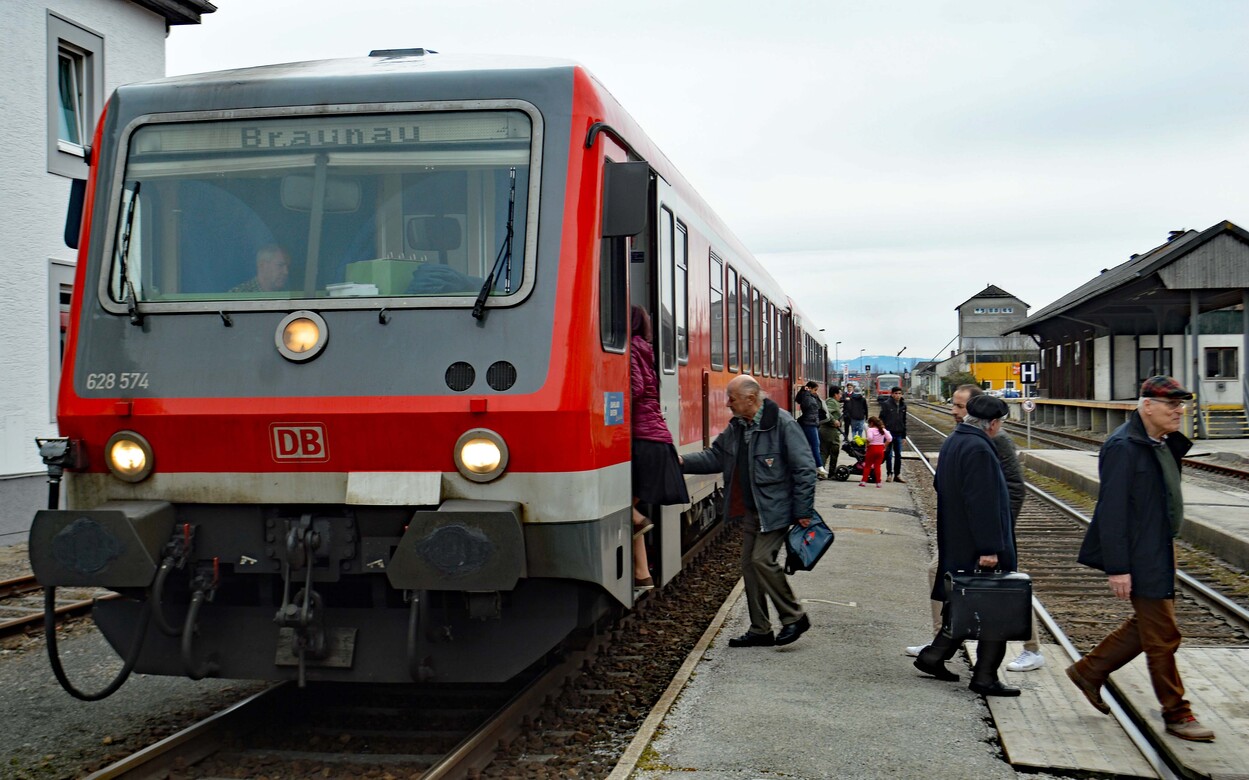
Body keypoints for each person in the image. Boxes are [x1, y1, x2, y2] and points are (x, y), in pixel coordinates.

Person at [1065, 376, 1214, 742]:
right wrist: (1118, 567)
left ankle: (1090, 671)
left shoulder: (1160, 443)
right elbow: (1112, 511)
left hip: (1160, 547)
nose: (1179, 411)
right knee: (1163, 636)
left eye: (1181, 405)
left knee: (1148, 626)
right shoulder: (1123, 447)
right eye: (1171, 405)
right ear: (1147, 405)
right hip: (1140, 552)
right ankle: (1177, 713)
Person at [906, 384, 1044, 670]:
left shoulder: (992, 440)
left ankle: (1030, 648)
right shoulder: (967, 439)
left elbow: (1012, 488)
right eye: (955, 406)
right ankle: (944, 650)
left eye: (960, 407)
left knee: (1002, 588)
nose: (954, 411)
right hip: (979, 531)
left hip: (987, 530)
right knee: (981, 588)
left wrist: (998, 534)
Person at [681, 375, 816, 647]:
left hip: (777, 508)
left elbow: (805, 468)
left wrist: (803, 510)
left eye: (732, 398)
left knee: (761, 560)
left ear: (751, 399)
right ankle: (760, 629)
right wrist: (680, 461)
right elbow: (715, 457)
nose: (727, 403)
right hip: (754, 509)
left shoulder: (781, 423)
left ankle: (794, 616)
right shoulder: (738, 426)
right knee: (749, 567)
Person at [914, 394, 1020, 697]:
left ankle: (933, 657)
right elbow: (983, 503)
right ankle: (985, 676)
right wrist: (990, 548)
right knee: (996, 610)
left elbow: (941, 486)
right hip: (978, 546)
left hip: (958, 539)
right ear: (994, 423)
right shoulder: (979, 449)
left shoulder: (955, 440)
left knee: (963, 604)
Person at [629, 306, 690, 589]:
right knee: (629, 509)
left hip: (642, 437)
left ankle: (637, 521)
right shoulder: (645, 350)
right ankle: (642, 574)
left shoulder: (629, 349)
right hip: (656, 438)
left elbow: (635, 388)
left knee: (625, 506)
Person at [795, 381, 828, 478]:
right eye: (815, 390)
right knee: (815, 444)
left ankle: (813, 465)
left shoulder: (810, 396)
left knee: (811, 445)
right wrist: (808, 393)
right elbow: (809, 406)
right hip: (809, 423)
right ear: (809, 388)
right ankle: (819, 466)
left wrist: (813, 395)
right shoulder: (807, 397)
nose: (816, 392)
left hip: (812, 423)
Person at [879, 386, 908, 483]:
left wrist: (904, 435)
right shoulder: (886, 404)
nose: (898, 395)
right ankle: (889, 474)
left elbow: (904, 421)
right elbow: (881, 418)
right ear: (892, 394)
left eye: (899, 393)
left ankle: (897, 474)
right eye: (896, 393)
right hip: (888, 433)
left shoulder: (903, 405)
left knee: (898, 455)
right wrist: (883, 431)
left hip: (899, 433)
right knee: (888, 454)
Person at [859, 415, 892, 487]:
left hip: (872, 448)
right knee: (877, 466)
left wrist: (867, 442)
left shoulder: (870, 430)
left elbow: (870, 438)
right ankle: (878, 482)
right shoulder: (882, 430)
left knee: (868, 466)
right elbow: (889, 438)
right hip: (880, 449)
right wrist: (884, 445)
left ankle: (863, 481)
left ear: (871, 423)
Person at [819, 385, 843, 476]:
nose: (840, 396)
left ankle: (822, 471)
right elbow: (826, 412)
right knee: (833, 450)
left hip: (827, 430)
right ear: (835, 394)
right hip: (829, 430)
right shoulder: (831, 402)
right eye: (839, 394)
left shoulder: (831, 401)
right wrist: (834, 420)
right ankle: (830, 472)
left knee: (824, 451)